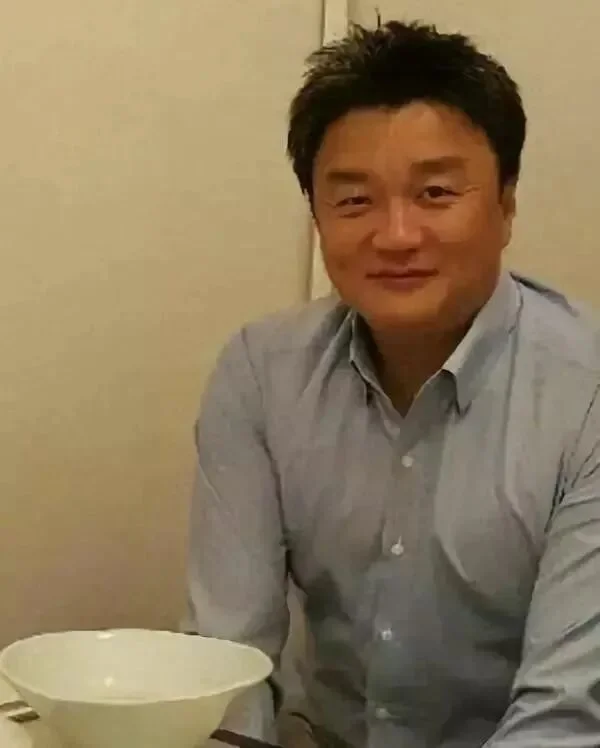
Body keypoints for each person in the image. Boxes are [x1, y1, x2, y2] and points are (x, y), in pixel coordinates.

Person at [184, 19, 600, 748]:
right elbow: (227, 666)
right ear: (317, 216)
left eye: (435, 192)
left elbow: (565, 715)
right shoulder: (261, 373)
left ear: (506, 204)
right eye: (354, 201)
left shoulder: (585, 392)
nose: (396, 235)